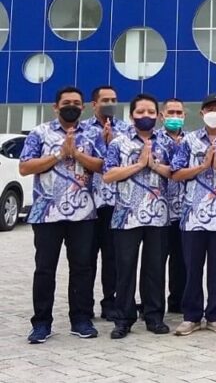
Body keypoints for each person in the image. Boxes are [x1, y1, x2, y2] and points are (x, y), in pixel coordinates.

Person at [20, 86, 105, 344]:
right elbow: (25, 167)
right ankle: (41, 323)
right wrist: (59, 154)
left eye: (77, 103)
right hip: (47, 215)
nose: (72, 107)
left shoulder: (92, 134)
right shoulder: (39, 133)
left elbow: (102, 166)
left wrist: (76, 153)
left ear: (83, 107)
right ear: (56, 106)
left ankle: (81, 319)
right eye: (66, 102)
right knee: (45, 269)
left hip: (83, 215)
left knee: (82, 268)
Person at [103, 93, 173, 339]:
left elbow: (175, 173)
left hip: (158, 216)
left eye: (151, 112)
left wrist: (153, 165)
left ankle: (154, 316)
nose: (146, 116)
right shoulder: (118, 143)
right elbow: (108, 175)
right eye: (140, 112)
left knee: (155, 269)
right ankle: (123, 319)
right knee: (125, 269)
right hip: (126, 216)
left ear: (158, 115)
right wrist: (138, 165)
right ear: (132, 115)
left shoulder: (167, 143)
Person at [170, 94, 216, 336]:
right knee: (192, 268)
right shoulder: (188, 141)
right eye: (210, 109)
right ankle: (191, 316)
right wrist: (202, 166)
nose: (215, 113)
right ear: (202, 113)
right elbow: (175, 173)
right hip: (192, 216)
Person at [82, 85, 130, 322]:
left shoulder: (126, 130)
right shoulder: (83, 130)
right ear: (94, 104)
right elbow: (80, 160)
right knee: (86, 257)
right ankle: (84, 304)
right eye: (105, 100)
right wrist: (103, 144)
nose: (110, 104)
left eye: (113, 99)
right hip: (88, 203)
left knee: (112, 257)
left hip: (115, 202)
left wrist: (113, 144)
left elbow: (128, 164)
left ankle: (110, 302)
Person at [158, 98, 188, 315]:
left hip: (185, 211)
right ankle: (153, 305)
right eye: (171, 113)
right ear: (162, 116)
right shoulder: (153, 140)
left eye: (179, 113)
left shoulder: (192, 141)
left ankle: (178, 302)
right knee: (156, 261)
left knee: (182, 260)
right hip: (160, 211)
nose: (175, 117)